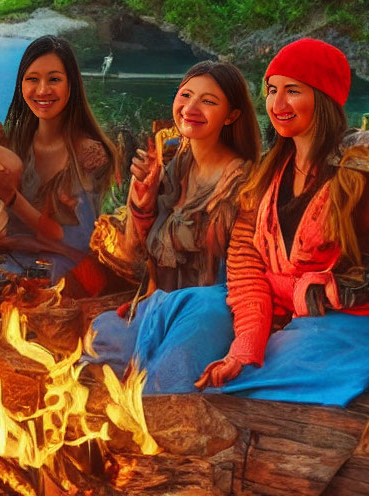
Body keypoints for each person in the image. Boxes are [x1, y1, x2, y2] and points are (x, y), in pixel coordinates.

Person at [192, 38, 369, 406]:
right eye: (272, 90)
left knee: (262, 383)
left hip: (351, 322)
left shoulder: (361, 174)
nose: (277, 105)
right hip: (281, 312)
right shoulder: (263, 178)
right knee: (191, 315)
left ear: (323, 98)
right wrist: (244, 348)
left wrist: (329, 288)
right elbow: (245, 271)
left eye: (293, 91)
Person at [86, 61, 260, 381]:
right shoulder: (172, 165)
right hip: (161, 308)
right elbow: (132, 252)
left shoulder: (243, 184)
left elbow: (247, 277)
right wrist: (141, 199)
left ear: (232, 115)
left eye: (208, 101)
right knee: (100, 334)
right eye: (186, 95)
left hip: (209, 312)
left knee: (162, 378)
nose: (191, 108)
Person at [0, 35, 119, 293]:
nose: (42, 90)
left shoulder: (89, 153)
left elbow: (72, 238)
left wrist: (10, 196)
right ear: (21, 85)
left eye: (54, 80)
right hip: (17, 260)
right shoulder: (19, 144)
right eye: (32, 79)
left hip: (68, 267)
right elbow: (8, 216)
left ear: (71, 85)